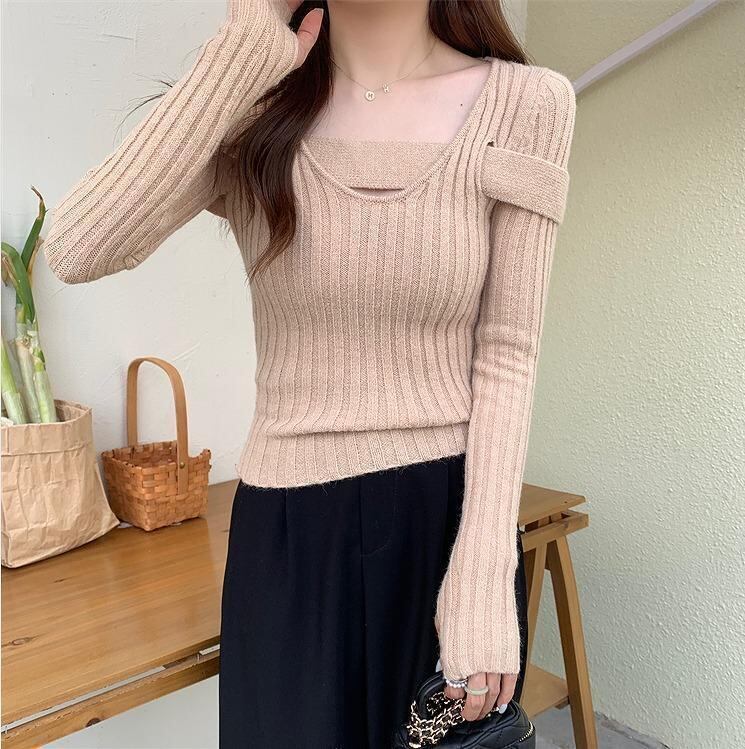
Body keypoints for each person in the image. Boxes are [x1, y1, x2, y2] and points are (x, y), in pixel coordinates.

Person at [43, 0, 576, 746]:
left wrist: (483, 574)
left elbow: (508, 350)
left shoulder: (526, 102)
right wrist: (243, 50)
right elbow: (78, 248)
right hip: (288, 540)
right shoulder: (252, 107)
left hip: (449, 530)